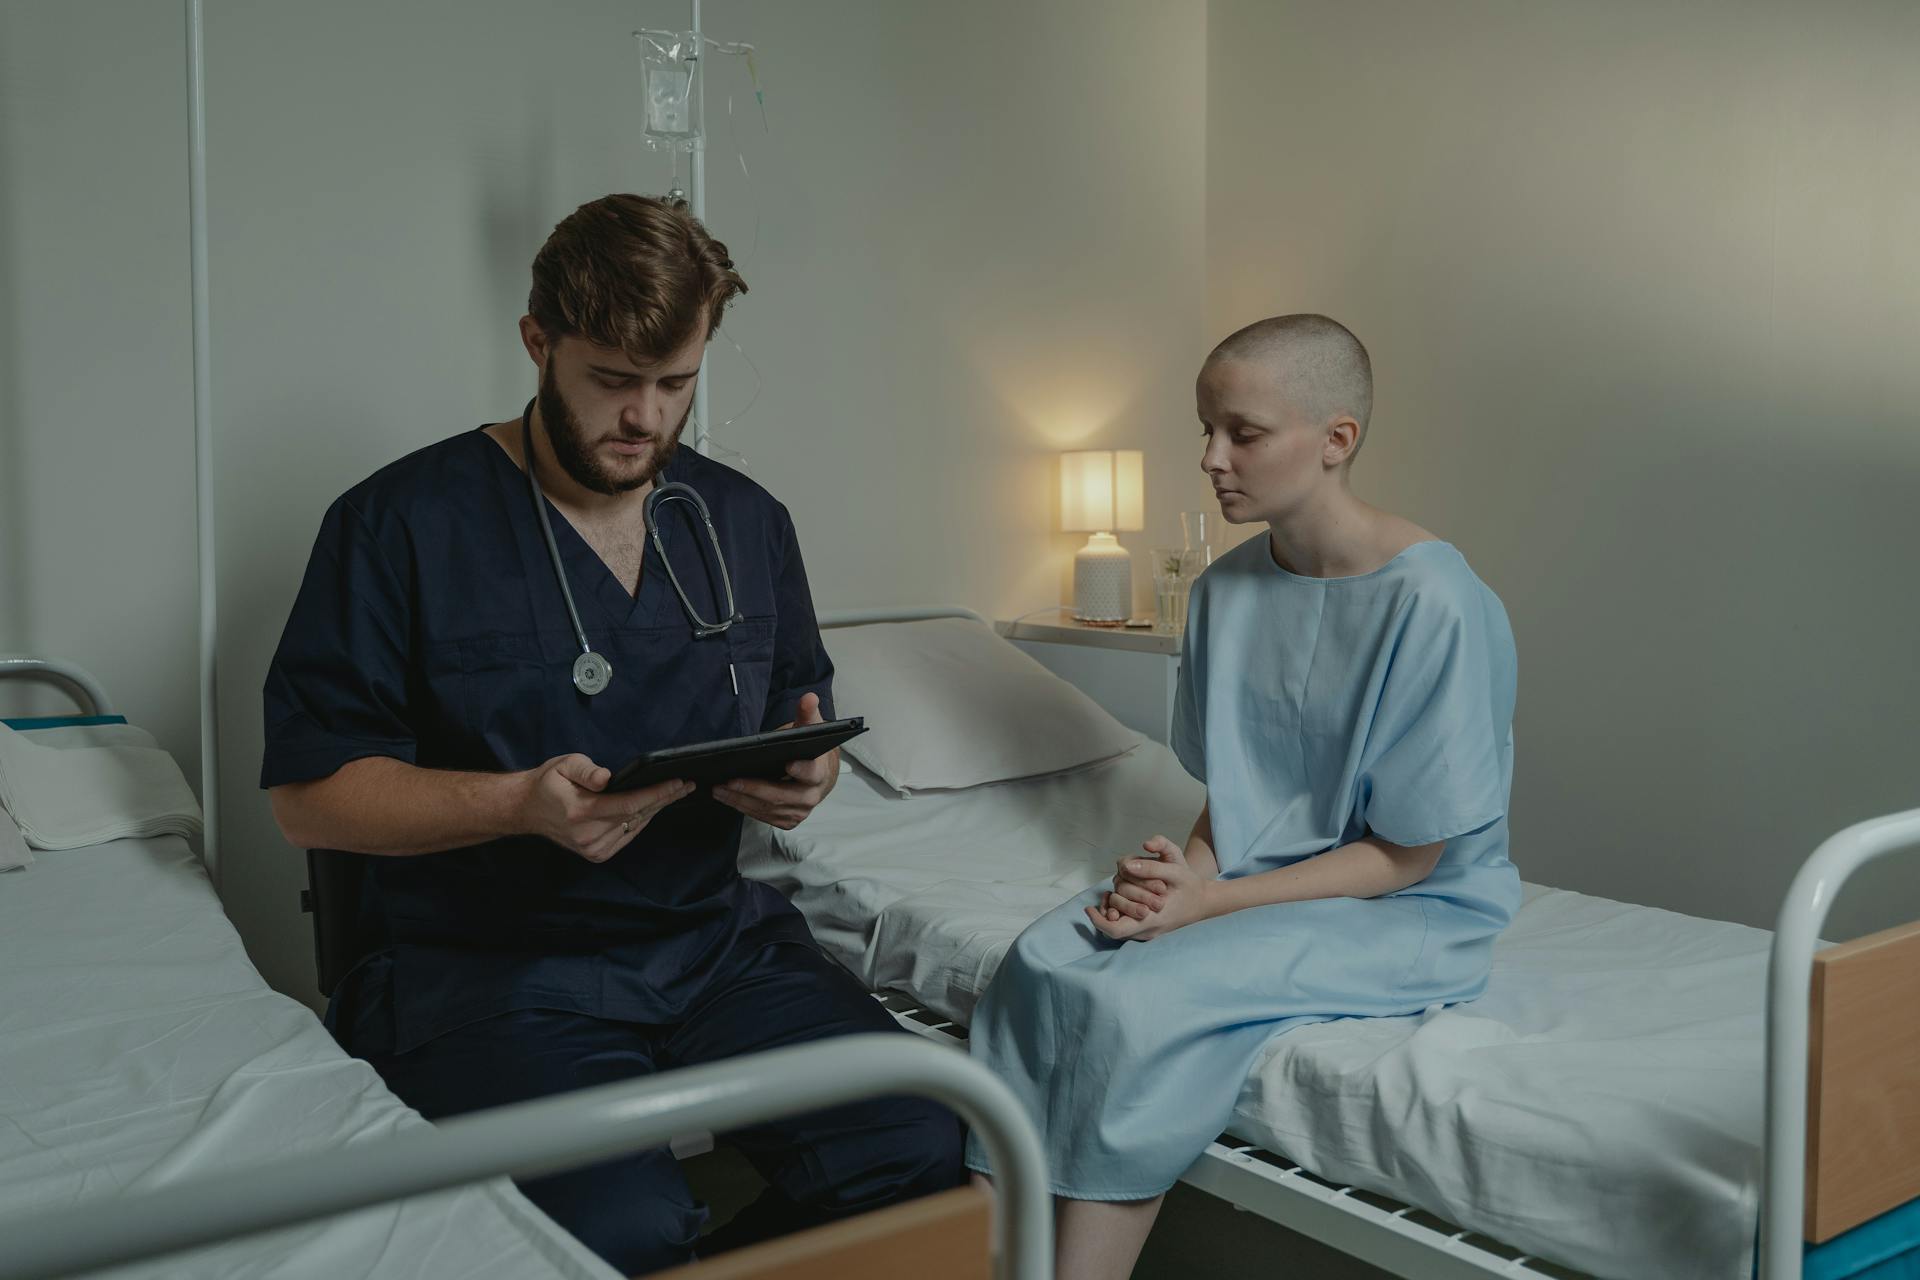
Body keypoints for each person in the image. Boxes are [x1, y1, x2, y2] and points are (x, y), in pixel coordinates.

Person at [260, 193, 963, 1275]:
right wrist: (513, 803)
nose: (644, 417)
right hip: (495, 968)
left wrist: (802, 772)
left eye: (674, 384)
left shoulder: (745, 521)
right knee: (624, 1227)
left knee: (921, 1142)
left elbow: (797, 712)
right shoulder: (400, 524)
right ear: (539, 342)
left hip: (715, 946)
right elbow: (308, 792)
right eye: (611, 381)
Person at [966, 314, 1520, 1280]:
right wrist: (1177, 881)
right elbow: (1241, 798)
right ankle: (979, 1261)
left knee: (1146, 1002)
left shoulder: (1434, 602)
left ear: (1336, 441)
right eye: (1206, 430)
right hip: (1261, 883)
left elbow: (1412, 854)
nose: (1212, 458)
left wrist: (1209, 907)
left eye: (1244, 433)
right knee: (1045, 958)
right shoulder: (1224, 592)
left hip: (1409, 906)